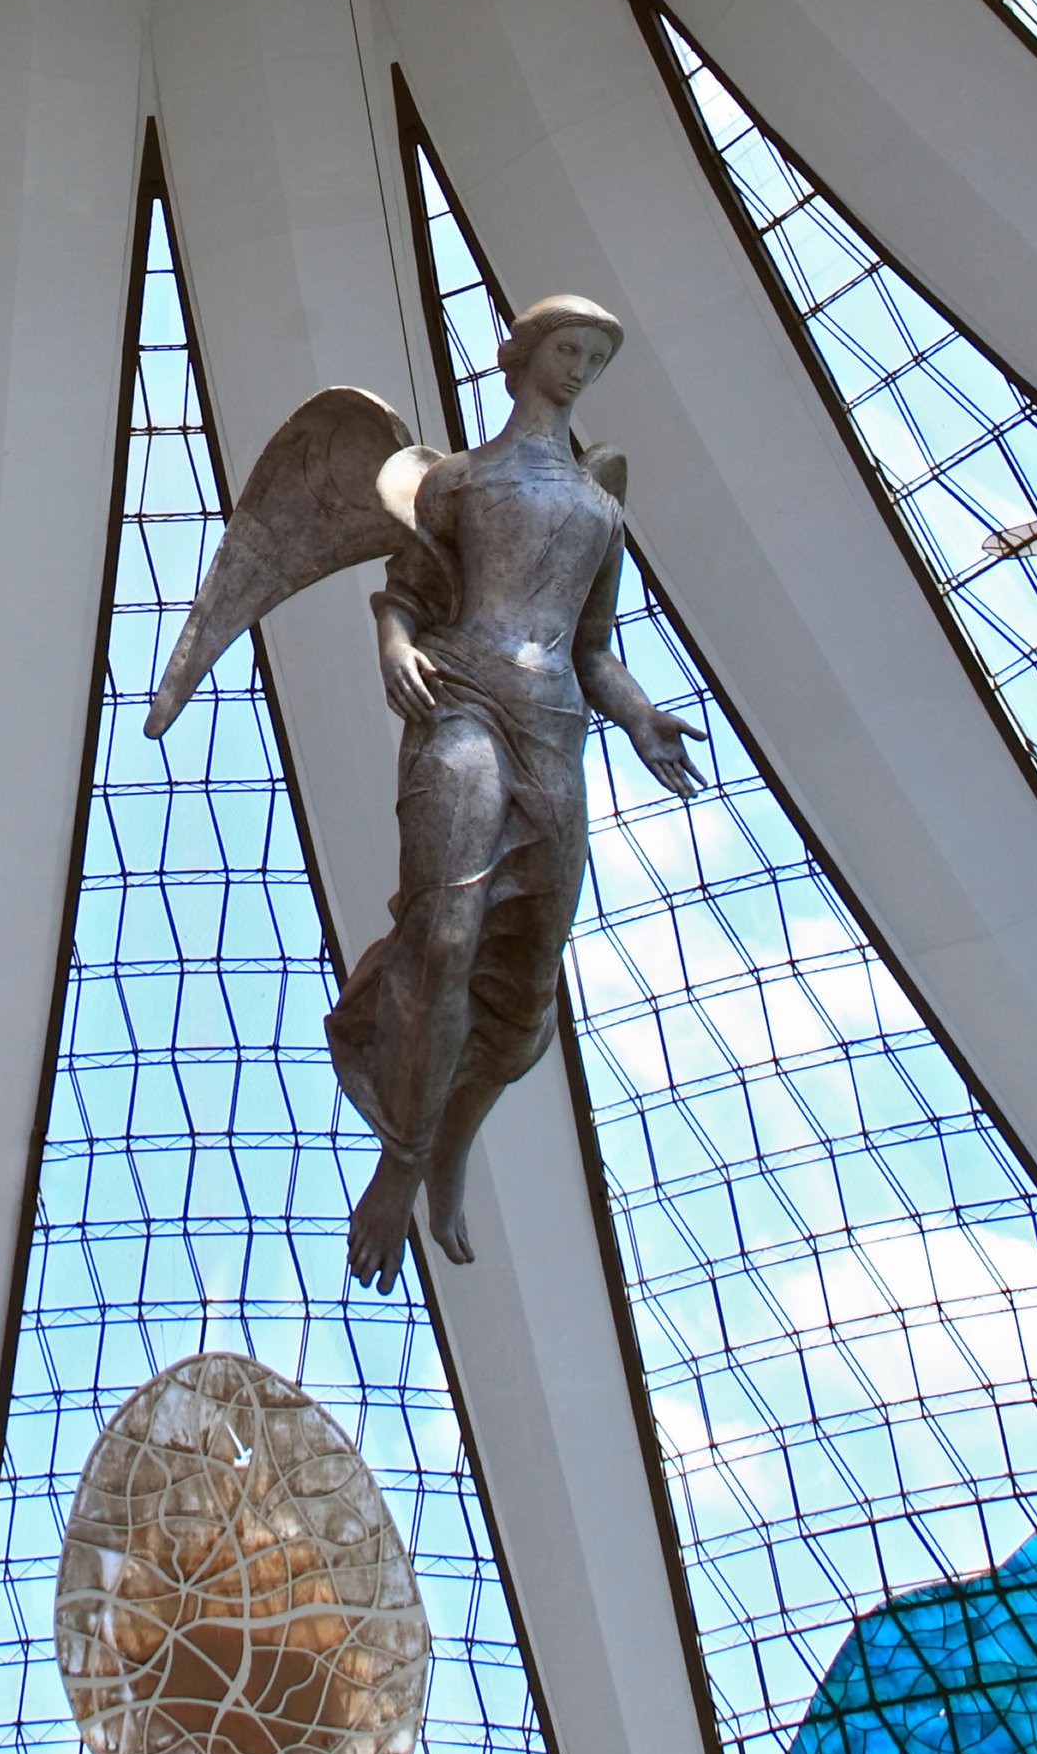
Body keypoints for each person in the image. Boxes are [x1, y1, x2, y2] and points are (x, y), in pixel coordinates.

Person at [144, 304, 700, 1288]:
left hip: (554, 729)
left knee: (527, 984)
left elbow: (592, 648)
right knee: (445, 934)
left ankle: (449, 1149)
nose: (579, 370)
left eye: (594, 358)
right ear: (519, 356)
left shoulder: (600, 504)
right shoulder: (456, 482)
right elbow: (401, 593)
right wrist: (395, 647)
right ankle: (400, 1163)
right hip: (462, 707)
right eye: (566, 350)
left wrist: (643, 716)